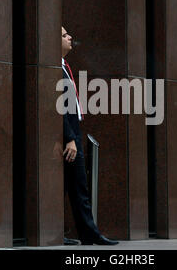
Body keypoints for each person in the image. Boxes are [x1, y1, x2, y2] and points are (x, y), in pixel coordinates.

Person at [61, 26, 119, 246]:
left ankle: (88, 233)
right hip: (68, 136)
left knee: (76, 186)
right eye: (65, 35)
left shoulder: (64, 65)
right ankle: (86, 233)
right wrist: (70, 138)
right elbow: (58, 108)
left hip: (74, 131)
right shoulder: (54, 68)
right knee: (75, 186)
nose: (70, 37)